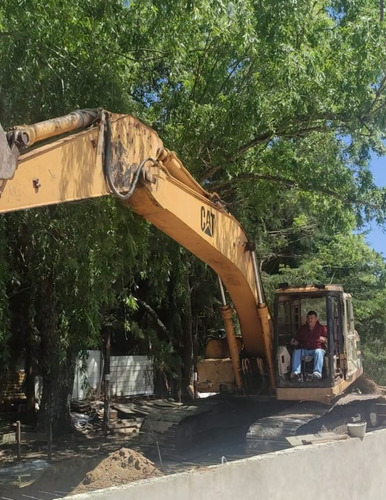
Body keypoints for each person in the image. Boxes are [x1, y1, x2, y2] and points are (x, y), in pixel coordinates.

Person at [290, 310, 327, 381]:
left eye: (312, 318)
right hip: (305, 350)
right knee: (297, 352)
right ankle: (296, 373)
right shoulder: (302, 328)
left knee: (319, 352)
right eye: (308, 318)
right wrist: (293, 342)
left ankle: (317, 374)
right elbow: (297, 340)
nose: (310, 320)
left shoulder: (322, 328)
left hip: (316, 349)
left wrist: (324, 339)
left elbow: (329, 341)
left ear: (316, 319)